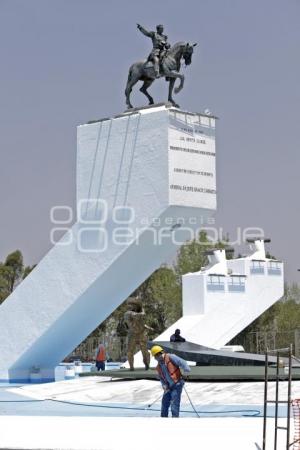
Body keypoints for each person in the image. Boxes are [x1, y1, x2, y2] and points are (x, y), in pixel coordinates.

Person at [151, 345, 190, 418]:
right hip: (168, 387)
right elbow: (161, 378)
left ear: (158, 354)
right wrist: (164, 386)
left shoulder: (171, 357)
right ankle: (163, 419)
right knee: (164, 403)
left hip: (177, 384)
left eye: (155, 356)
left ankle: (174, 420)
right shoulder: (159, 366)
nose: (155, 358)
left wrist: (186, 373)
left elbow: (183, 363)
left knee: (174, 403)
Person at [124, 297, 151, 371]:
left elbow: (141, 323)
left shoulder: (136, 314)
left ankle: (147, 365)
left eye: (133, 305)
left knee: (145, 352)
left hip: (141, 334)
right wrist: (142, 309)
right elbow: (141, 315)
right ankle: (131, 367)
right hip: (132, 334)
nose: (131, 306)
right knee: (130, 351)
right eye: (131, 304)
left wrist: (146, 327)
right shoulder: (128, 313)